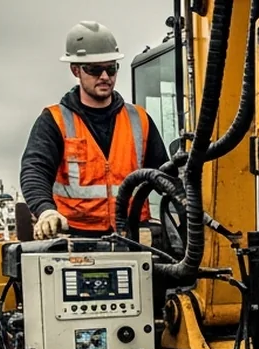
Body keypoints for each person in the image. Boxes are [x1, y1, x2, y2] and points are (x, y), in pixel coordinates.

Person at [20, 21, 169, 240]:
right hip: (76, 238)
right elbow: (35, 170)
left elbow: (164, 176)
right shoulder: (55, 120)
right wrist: (45, 210)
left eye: (111, 68)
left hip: (133, 237)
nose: (105, 77)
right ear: (76, 70)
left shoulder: (139, 120)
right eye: (94, 69)